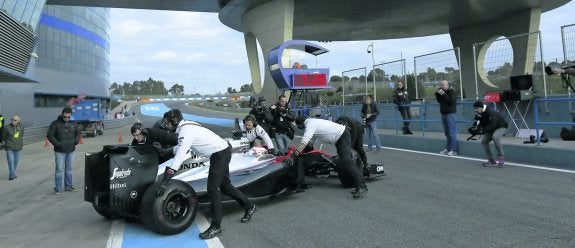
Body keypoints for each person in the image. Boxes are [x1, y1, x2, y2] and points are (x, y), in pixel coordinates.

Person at [158, 109, 256, 240]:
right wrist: (165, 152)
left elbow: (179, 155)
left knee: (212, 189)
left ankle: (216, 227)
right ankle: (249, 206)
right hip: (222, 151)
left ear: (175, 121)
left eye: (167, 122)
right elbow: (182, 146)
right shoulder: (186, 128)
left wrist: (165, 180)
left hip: (219, 154)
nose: (165, 125)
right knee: (225, 186)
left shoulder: (185, 131)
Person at [293, 116, 368, 198]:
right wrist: (303, 153)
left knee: (347, 162)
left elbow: (305, 140)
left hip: (342, 136)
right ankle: (358, 185)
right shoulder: (312, 122)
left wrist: (296, 153)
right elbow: (310, 142)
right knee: (344, 162)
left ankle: (362, 186)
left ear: (300, 125)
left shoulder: (310, 125)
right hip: (340, 138)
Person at [47, 107, 81, 195]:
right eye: (65, 117)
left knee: (69, 169)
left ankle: (68, 186)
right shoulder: (55, 123)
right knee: (59, 169)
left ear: (71, 116)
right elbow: (50, 135)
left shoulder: (74, 123)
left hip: (71, 150)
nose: (67, 118)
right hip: (59, 151)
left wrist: (75, 141)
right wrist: (58, 144)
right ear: (62, 115)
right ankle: (58, 188)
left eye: (68, 117)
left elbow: (78, 133)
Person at [472, 101, 509, 167]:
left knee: (495, 137)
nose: (475, 110)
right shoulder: (478, 115)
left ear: (481, 108)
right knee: (484, 141)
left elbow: (493, 124)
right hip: (490, 129)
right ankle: (491, 160)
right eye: (474, 108)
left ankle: (501, 157)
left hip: (501, 127)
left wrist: (482, 130)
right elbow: (478, 125)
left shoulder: (491, 113)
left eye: (476, 108)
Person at [435, 80, 458, 156]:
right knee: (447, 133)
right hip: (443, 114)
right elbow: (439, 101)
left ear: (447, 85)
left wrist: (443, 94)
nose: (441, 86)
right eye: (440, 85)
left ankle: (453, 150)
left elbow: (450, 101)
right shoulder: (442, 92)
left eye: (443, 85)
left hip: (450, 114)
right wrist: (438, 94)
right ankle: (448, 148)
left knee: (452, 133)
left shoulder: (452, 91)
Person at [2, 115, 24, 180]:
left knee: (16, 161)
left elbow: (22, 135)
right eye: (12, 119)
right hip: (9, 147)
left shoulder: (22, 127)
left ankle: (13, 173)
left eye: (15, 120)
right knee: (10, 161)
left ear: (18, 121)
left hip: (18, 147)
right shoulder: (6, 127)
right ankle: (11, 175)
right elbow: (3, 136)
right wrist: (7, 142)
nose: (13, 121)